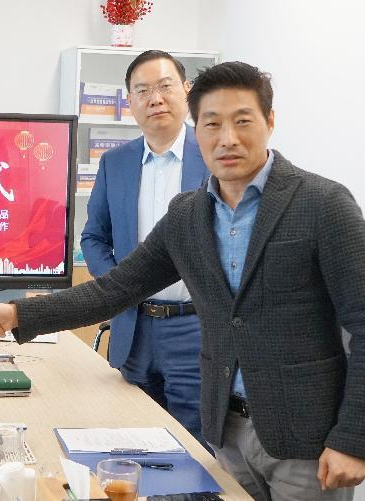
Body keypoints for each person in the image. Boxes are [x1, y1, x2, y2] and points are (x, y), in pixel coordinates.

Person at [0, 61, 365, 500]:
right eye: (212, 123)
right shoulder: (188, 215)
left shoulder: (324, 204)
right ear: (198, 128)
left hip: (305, 440)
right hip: (226, 434)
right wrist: (17, 313)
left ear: (270, 121)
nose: (227, 138)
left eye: (242, 121)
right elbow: (116, 289)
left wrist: (354, 438)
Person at [81, 50, 209, 442]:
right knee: (132, 439)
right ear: (130, 101)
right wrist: (120, 285)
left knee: (194, 444)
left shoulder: (214, 157)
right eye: (142, 91)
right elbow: (94, 237)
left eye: (165, 86)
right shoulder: (115, 163)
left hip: (195, 328)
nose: (155, 99)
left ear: (186, 91)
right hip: (133, 328)